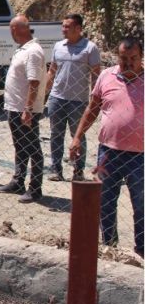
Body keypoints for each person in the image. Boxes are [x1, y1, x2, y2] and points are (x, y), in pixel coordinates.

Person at [71, 37, 144, 257]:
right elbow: (92, 108)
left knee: (141, 205)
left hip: (140, 156)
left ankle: (142, 249)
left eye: (133, 58)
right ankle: (110, 246)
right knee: (105, 202)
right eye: (124, 58)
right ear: (116, 56)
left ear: (141, 57)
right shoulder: (106, 76)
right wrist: (77, 137)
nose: (128, 63)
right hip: (108, 154)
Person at [0, 15, 47, 204]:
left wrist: (28, 108)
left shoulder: (33, 51)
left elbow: (34, 82)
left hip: (26, 110)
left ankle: (35, 188)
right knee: (20, 147)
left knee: (33, 148)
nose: (11, 32)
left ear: (22, 29)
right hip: (15, 107)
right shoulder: (22, 50)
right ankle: (18, 181)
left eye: (13, 28)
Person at [45, 14, 101, 182]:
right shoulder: (58, 46)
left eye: (67, 27)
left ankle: (78, 171)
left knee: (78, 135)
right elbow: (52, 71)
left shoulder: (90, 48)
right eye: (63, 26)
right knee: (56, 134)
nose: (63, 29)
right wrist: (44, 94)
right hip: (57, 98)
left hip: (79, 101)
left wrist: (95, 98)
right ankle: (56, 170)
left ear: (78, 28)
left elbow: (96, 76)